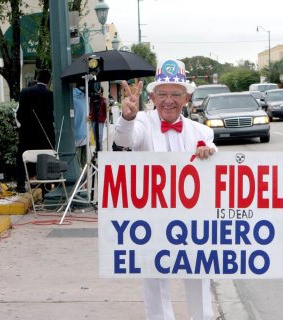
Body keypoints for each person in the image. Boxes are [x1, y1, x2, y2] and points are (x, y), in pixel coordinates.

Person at [114, 59, 216, 320]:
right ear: (152, 96)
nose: (168, 100)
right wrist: (127, 117)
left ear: (187, 98)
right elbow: (125, 139)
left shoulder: (202, 131)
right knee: (155, 282)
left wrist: (210, 153)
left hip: (192, 221)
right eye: (162, 94)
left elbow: (217, 171)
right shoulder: (143, 123)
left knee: (198, 278)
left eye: (175, 94)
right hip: (152, 220)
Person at [15, 69, 55, 193]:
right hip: (45, 133)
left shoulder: (26, 92)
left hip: (27, 133)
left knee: (22, 158)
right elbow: (52, 116)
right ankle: (45, 188)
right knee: (44, 159)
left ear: (37, 78)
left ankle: (21, 185)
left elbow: (20, 114)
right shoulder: (50, 94)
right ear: (48, 81)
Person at [73, 81, 87, 169]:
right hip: (85, 134)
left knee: (76, 163)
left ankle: (80, 181)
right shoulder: (85, 96)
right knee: (85, 162)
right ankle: (85, 181)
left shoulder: (70, 96)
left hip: (75, 135)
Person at [89, 86, 107, 152]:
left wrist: (107, 119)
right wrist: (90, 116)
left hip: (100, 121)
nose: (98, 94)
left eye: (99, 93)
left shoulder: (104, 100)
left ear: (102, 93)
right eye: (97, 93)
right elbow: (91, 108)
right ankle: (97, 148)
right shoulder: (92, 99)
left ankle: (100, 149)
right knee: (95, 135)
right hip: (93, 120)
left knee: (100, 135)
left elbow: (107, 111)